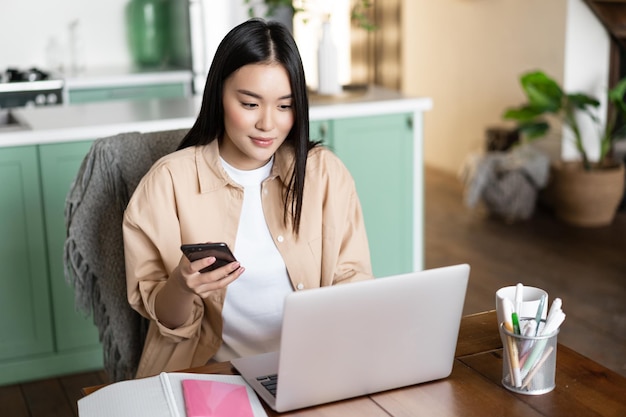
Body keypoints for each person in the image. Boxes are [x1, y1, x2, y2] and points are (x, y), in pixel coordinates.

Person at [123, 18, 373, 379]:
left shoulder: (324, 174)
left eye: (285, 106)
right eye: (250, 104)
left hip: (313, 367)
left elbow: (354, 283)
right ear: (219, 95)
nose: (268, 124)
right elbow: (167, 320)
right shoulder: (168, 182)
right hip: (212, 373)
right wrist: (181, 284)